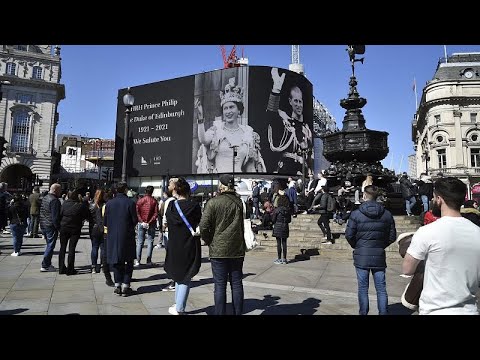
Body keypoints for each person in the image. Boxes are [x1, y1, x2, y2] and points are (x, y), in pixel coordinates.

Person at [402, 177, 480, 315]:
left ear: (439, 199)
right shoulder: (477, 231)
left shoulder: (427, 232)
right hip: (470, 309)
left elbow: (407, 269)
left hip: (435, 310)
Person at [195, 77, 266, 173]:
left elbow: (250, 167)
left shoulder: (248, 134)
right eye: (225, 108)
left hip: (239, 180)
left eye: (231, 107)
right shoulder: (217, 130)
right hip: (218, 179)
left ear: (239, 110)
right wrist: (200, 118)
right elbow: (203, 140)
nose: (228, 111)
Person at [345, 185, 397, 315]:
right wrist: (381, 245)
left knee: (363, 288)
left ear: (364, 196)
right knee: (381, 289)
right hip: (378, 254)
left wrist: (357, 246)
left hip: (362, 253)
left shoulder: (356, 214)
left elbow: (349, 235)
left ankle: (363, 313)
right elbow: (392, 236)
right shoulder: (387, 214)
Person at [199, 174, 245, 315]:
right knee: (236, 284)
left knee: (220, 285)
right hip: (237, 248)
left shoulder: (213, 202)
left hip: (218, 249)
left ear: (221, 186)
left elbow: (203, 226)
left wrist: (208, 240)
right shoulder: (239, 202)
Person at [164, 177, 202, 315]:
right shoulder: (194, 206)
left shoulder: (171, 206)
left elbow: (168, 222)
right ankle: (179, 308)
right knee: (186, 276)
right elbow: (199, 222)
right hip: (189, 244)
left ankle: (178, 305)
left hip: (174, 244)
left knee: (178, 276)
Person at [266, 67, 312, 175]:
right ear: (290, 101)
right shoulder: (286, 123)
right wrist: (276, 89)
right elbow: (271, 115)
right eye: (295, 101)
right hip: (287, 169)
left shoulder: (306, 128)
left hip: (303, 171)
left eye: (300, 101)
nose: (298, 105)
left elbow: (309, 155)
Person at [104, 182, 138, 297]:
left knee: (116, 261)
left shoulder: (109, 203)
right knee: (128, 261)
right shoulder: (130, 203)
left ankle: (117, 284)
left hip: (113, 235)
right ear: (125, 190)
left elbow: (105, 222)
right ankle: (126, 285)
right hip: (127, 235)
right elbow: (134, 220)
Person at [58, 189, 89, 275]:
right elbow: (86, 216)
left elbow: (60, 214)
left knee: (62, 248)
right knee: (72, 248)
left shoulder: (64, 204)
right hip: (75, 228)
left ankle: (61, 268)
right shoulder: (80, 205)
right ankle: (70, 269)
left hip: (64, 227)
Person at [39, 183, 62, 272]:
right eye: (60, 190)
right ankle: (45, 265)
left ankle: (47, 263)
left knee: (48, 244)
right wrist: (58, 228)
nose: (61, 192)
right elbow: (55, 216)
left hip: (44, 224)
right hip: (50, 225)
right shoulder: (54, 200)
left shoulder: (45, 198)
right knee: (50, 246)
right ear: (55, 190)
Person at [135, 185, 159, 267]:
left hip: (141, 223)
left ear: (145, 191)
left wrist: (142, 221)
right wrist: (149, 221)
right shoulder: (154, 201)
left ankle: (138, 260)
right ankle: (148, 260)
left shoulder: (140, 200)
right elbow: (156, 213)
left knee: (140, 242)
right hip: (151, 224)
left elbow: (137, 212)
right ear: (152, 191)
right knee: (150, 241)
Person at [272, 194, 292, 265]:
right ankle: (285, 259)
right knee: (284, 243)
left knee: (278, 243)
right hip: (285, 226)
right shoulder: (288, 210)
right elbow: (289, 220)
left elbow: (273, 219)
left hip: (278, 226)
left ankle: (279, 258)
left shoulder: (277, 210)